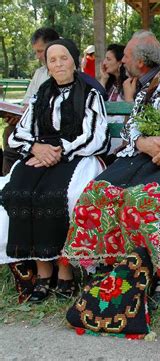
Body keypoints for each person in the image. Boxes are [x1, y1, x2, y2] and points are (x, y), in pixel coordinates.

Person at [62, 26, 160, 308]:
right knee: (98, 192)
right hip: (144, 153)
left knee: (144, 198)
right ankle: (109, 265)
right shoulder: (155, 81)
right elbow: (134, 123)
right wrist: (144, 142)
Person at [0, 39, 109, 303]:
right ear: (47, 65)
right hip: (40, 155)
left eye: (63, 58)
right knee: (19, 191)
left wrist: (59, 150)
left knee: (65, 195)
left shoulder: (90, 93)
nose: (58, 64)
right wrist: (37, 148)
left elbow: (97, 137)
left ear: (75, 61)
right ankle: (42, 269)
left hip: (77, 156)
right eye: (52, 60)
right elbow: (20, 135)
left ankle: (65, 269)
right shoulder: (41, 95)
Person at [1, 28, 60, 176]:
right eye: (36, 52)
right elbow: (26, 105)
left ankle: (13, 179)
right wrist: (17, 116)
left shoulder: (64, 72)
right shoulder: (39, 73)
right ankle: (8, 179)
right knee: (9, 131)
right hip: (31, 123)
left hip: (49, 128)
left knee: (13, 138)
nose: (38, 56)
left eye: (41, 51)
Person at [99, 44, 128, 156]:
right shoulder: (110, 84)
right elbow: (98, 103)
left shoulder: (128, 84)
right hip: (105, 133)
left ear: (120, 62)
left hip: (120, 137)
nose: (104, 63)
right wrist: (103, 79)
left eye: (108, 59)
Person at [121, 30, 160, 102]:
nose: (122, 60)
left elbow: (145, 113)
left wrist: (129, 99)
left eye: (126, 56)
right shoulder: (142, 81)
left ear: (140, 62)